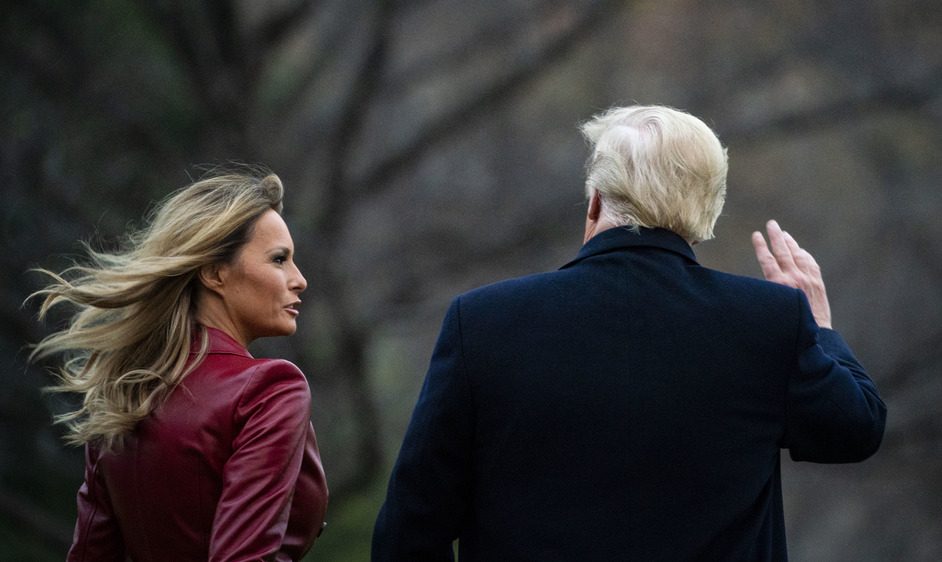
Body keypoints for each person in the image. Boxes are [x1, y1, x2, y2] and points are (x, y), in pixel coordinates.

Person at [371, 105, 887, 561]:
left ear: (594, 201)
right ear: (706, 212)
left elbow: (411, 530)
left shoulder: (482, 322)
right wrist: (817, 326)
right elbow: (853, 430)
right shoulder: (768, 321)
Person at [29, 168, 328, 561]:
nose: (299, 279)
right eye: (279, 260)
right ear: (213, 272)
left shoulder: (122, 393)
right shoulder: (270, 389)